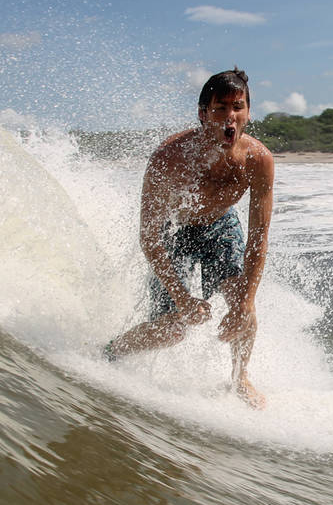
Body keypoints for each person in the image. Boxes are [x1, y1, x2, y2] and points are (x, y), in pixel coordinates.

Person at [104, 68, 274, 409]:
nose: (230, 117)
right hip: (174, 233)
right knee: (172, 330)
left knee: (245, 306)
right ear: (202, 115)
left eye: (237, 107)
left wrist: (244, 303)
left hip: (219, 225)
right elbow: (149, 238)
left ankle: (240, 379)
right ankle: (110, 352)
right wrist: (182, 298)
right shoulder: (169, 159)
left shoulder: (258, 160)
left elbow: (258, 238)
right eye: (219, 109)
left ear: (248, 112)